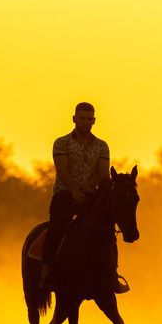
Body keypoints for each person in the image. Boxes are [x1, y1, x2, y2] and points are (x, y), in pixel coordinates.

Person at [41, 102, 129, 293]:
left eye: (89, 119)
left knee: (107, 231)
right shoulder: (62, 143)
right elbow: (62, 170)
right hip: (65, 195)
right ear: (74, 119)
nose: (86, 122)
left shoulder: (102, 146)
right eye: (82, 118)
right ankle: (48, 273)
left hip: (91, 197)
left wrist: (105, 188)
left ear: (94, 121)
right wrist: (74, 190)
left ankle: (111, 274)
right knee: (56, 228)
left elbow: (103, 173)